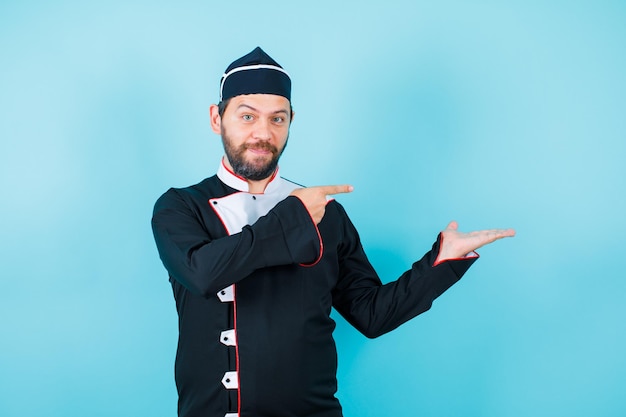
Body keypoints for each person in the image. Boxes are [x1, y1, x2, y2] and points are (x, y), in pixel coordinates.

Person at [151, 46, 515, 417]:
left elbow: (372, 314)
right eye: (247, 116)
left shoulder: (328, 214)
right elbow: (202, 273)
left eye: (278, 119)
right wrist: (292, 215)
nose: (263, 133)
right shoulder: (180, 206)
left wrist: (442, 261)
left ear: (292, 120)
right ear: (217, 118)